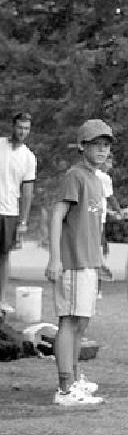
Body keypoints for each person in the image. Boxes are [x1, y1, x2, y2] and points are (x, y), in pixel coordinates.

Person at [45, 119, 112, 406]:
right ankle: (64, 388)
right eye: (96, 144)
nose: (102, 150)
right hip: (72, 262)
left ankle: (74, 377)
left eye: (106, 145)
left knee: (82, 322)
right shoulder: (75, 176)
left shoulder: (96, 180)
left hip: (89, 262)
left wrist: (99, 259)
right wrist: (55, 258)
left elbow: (92, 226)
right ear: (82, 146)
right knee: (69, 322)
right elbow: (56, 216)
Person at [0, 112, 36, 314]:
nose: (22, 132)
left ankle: (1, 299)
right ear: (12, 126)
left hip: (9, 212)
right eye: (20, 127)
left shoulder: (29, 157)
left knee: (4, 256)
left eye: (26, 128)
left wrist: (23, 221)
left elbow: (28, 192)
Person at [95, 157, 120, 300]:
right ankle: (97, 290)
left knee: (101, 251)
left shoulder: (91, 174)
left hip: (98, 219)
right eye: (108, 162)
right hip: (97, 222)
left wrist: (112, 212)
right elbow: (110, 197)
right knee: (100, 254)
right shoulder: (103, 177)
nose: (109, 165)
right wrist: (119, 211)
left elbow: (102, 201)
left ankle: (96, 289)